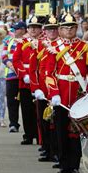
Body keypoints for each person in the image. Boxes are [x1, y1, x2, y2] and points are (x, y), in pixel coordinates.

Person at [45, 12, 88, 173]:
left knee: (75, 131)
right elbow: (49, 74)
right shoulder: (53, 49)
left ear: (76, 28)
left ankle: (75, 164)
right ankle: (64, 164)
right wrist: (54, 93)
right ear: (60, 30)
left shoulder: (85, 47)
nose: (68, 31)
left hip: (78, 93)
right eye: (65, 28)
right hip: (61, 95)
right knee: (61, 130)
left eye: (71, 28)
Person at [30, 14, 59, 163]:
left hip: (58, 90)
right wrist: (36, 88)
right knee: (44, 121)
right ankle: (47, 149)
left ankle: (57, 151)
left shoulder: (63, 45)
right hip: (43, 90)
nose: (52, 32)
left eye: (55, 29)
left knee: (57, 123)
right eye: (49, 30)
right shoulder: (39, 44)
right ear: (45, 31)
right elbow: (33, 68)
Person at [13, 17, 41, 145]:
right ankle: (28, 135)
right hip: (25, 81)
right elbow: (16, 60)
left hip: (40, 81)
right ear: (27, 29)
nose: (34, 29)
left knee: (40, 110)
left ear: (40, 29)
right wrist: (23, 75)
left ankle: (41, 136)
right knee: (26, 109)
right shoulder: (22, 42)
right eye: (31, 27)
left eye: (36, 27)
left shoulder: (45, 42)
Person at [2, 21, 26, 133]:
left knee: (26, 103)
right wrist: (9, 64)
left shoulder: (28, 41)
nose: (14, 31)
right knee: (12, 102)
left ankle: (29, 129)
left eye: (16, 29)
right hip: (11, 76)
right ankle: (13, 124)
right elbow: (3, 55)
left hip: (25, 76)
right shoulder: (8, 41)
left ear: (23, 30)